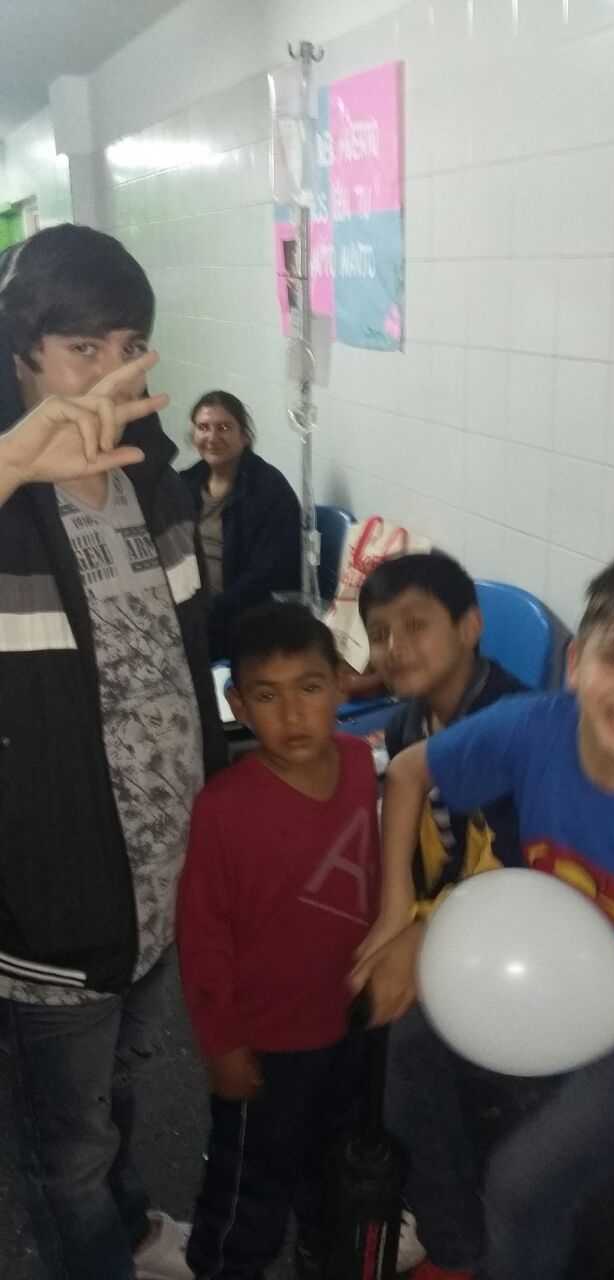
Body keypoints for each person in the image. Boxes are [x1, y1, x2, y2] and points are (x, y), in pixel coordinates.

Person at [353, 552, 614, 1280]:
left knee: (522, 1185)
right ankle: (458, 1252)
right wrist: (395, 916)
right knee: (411, 1046)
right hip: (553, 977)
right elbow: (408, 770)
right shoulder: (534, 729)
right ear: (576, 662)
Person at [0, 224, 226, 1280]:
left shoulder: (155, 479)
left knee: (126, 1083)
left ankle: (130, 1231)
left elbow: (183, 664)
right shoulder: (10, 501)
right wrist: (10, 464)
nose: (108, 373)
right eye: (81, 347)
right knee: (67, 1146)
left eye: (128, 345)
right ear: (22, 351)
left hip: (161, 877)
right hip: (50, 896)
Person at [177, 601, 381, 1280]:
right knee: (249, 1185)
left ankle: (324, 1252)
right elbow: (203, 938)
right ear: (237, 703)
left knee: (336, 1162)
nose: (293, 715)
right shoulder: (222, 809)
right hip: (267, 1044)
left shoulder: (360, 763)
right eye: (267, 696)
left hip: (350, 1023)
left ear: (342, 685)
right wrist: (223, 1045)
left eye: (310, 688)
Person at [357, 551, 526, 1276]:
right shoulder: (407, 723)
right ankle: (415, 1183)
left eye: (416, 625)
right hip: (457, 909)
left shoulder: (512, 726)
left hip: (523, 928)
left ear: (470, 626)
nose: (395, 647)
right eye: (380, 633)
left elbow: (520, 878)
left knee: (410, 1042)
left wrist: (423, 939)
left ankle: (451, 1238)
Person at [181, 390, 301, 660]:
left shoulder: (269, 491)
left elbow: (268, 575)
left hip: (238, 616)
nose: (212, 437)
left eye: (224, 427)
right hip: (189, 607)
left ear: (244, 436)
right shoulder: (184, 484)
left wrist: (207, 610)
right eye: (203, 427)